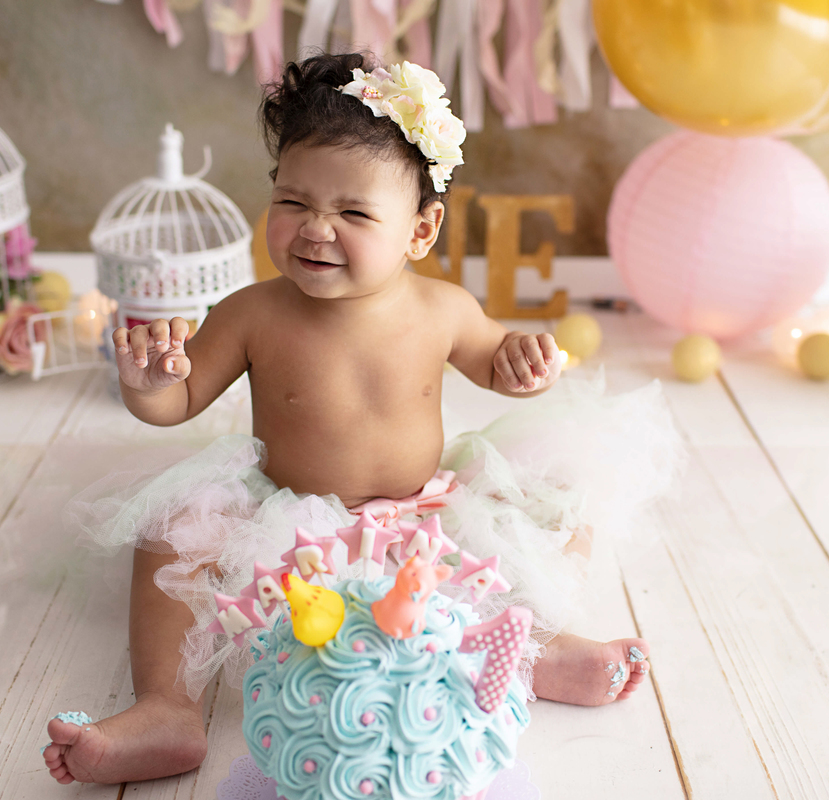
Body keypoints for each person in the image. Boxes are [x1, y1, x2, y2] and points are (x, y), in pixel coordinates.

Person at [43, 52, 678, 786]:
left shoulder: (442, 308)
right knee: (166, 536)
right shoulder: (250, 312)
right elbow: (177, 404)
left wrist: (521, 365)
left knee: (547, 510)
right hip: (289, 526)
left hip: (428, 518)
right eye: (292, 202)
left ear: (420, 228)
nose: (315, 229)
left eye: (351, 213)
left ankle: (538, 648)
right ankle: (167, 708)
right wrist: (149, 383)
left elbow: (495, 361)